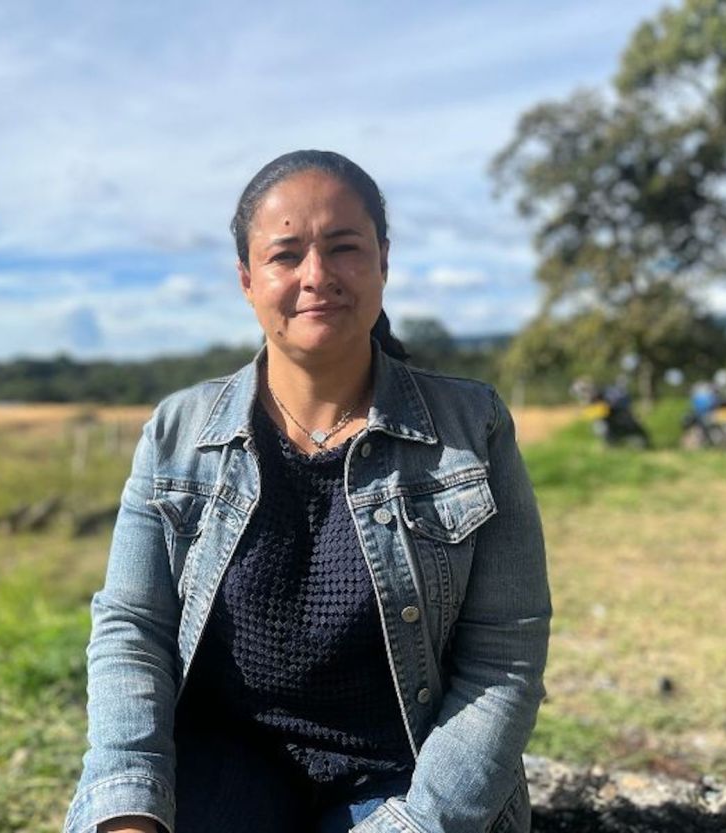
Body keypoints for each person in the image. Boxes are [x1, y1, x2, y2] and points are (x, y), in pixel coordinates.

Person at [63, 150, 551, 833]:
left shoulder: (474, 428)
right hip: (223, 760)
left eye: (344, 247)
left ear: (383, 259)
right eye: (286, 254)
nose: (316, 276)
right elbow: (131, 628)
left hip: (407, 772)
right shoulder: (178, 431)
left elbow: (506, 657)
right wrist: (127, 802)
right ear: (247, 279)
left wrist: (419, 823)